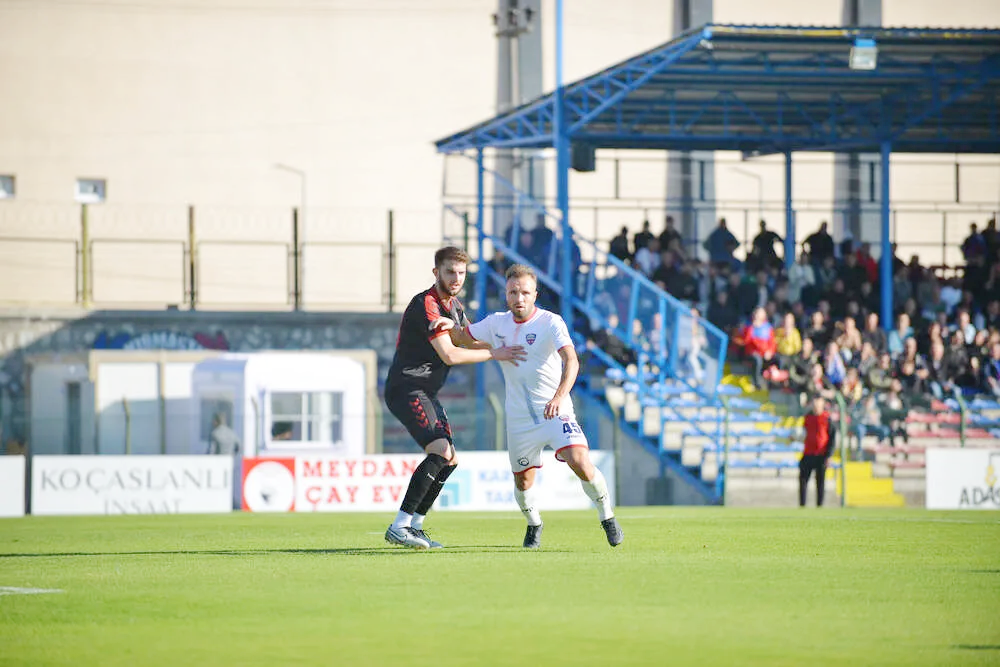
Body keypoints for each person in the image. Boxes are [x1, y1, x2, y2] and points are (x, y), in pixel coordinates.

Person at [447, 264, 623, 549]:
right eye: (513, 292)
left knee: (579, 460)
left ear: (535, 294)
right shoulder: (495, 323)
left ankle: (607, 517)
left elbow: (572, 360)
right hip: (519, 420)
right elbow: (462, 337)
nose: (519, 298)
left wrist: (558, 397)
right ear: (506, 294)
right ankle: (534, 524)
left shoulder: (550, 322)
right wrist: (444, 324)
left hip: (555, 411)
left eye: (525, 292)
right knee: (523, 482)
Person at [383, 246, 526, 550]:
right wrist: (494, 353)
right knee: (440, 450)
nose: (456, 278)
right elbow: (449, 354)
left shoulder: (454, 306)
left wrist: (506, 343)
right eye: (450, 271)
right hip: (407, 387)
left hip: (425, 391)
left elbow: (465, 338)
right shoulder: (427, 304)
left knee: (450, 460)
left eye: (461, 272)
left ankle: (415, 526)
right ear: (436, 273)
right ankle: (399, 525)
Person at [800, 396, 834, 507]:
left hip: (821, 454)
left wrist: (828, 455)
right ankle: (802, 504)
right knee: (803, 479)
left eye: (818, 404)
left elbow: (832, 438)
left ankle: (819, 505)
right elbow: (804, 433)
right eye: (814, 404)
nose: (816, 407)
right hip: (808, 453)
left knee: (820, 482)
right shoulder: (808, 417)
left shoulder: (827, 418)